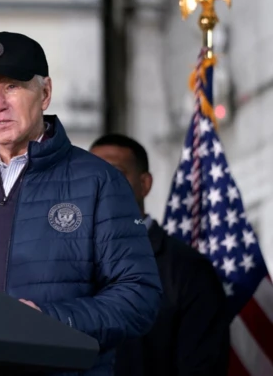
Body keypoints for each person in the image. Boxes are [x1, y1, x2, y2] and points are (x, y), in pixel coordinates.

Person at [0, 31, 162, 375]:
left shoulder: (99, 182)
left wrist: (47, 320)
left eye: (12, 86)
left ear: (46, 93)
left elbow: (138, 297)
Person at [90, 134, 229, 376]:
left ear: (144, 184)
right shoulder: (64, 261)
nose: (100, 182)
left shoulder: (188, 269)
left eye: (115, 172)